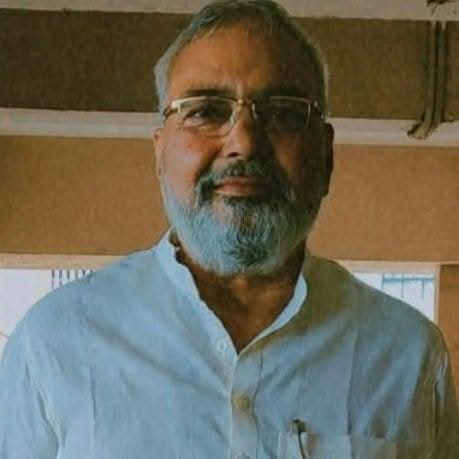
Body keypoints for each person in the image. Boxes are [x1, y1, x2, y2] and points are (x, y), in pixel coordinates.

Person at [0, 1, 458, 457]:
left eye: (282, 112)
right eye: (205, 110)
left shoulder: (408, 355)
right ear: (160, 153)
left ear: (326, 155)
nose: (244, 142)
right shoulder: (56, 341)